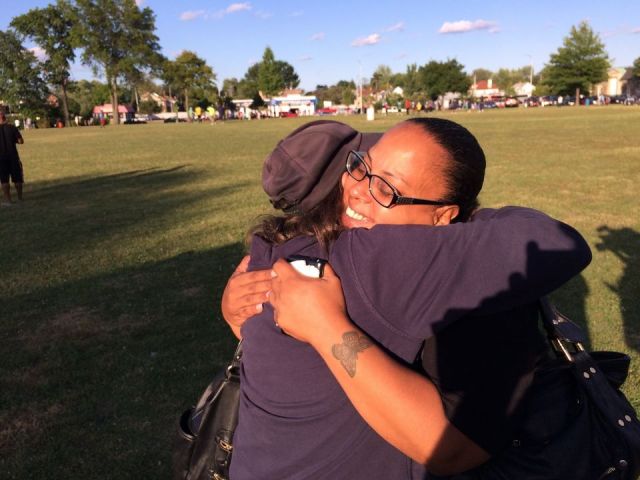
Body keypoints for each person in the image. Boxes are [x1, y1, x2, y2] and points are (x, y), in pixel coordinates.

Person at [222, 119, 591, 479]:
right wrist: (326, 328)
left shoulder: (273, 249)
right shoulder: (375, 260)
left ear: (442, 215)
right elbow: (556, 242)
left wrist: (249, 321)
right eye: (361, 166)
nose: (357, 189)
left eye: (386, 189)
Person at [0, 111, 25, 206]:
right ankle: (20, 198)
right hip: (13, 156)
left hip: (1, 158)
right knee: (17, 178)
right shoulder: (12, 128)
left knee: (4, 179)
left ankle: (8, 200)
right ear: (4, 117)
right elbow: (20, 141)